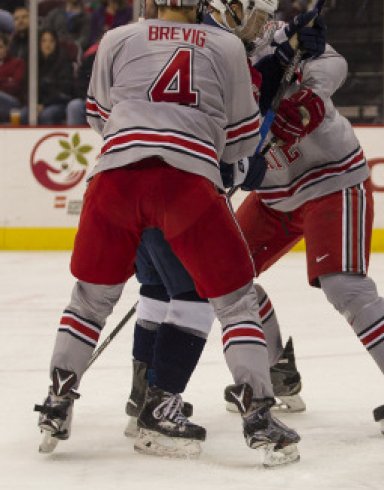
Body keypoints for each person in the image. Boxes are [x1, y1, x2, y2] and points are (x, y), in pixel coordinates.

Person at [33, 0, 300, 465]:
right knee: (235, 301)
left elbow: (98, 116)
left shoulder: (117, 38)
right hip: (187, 182)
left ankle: (56, 404)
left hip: (115, 178)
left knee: (89, 301)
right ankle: (256, 415)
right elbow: (239, 136)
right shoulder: (224, 45)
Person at [231, 9, 384, 436]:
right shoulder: (213, 49)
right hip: (272, 192)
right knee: (224, 274)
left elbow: (332, 62)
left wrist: (310, 94)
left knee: (343, 285)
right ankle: (276, 369)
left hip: (331, 176)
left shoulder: (276, 35)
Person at [35, 28, 75, 124]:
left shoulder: (63, 62)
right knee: (24, 114)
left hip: (58, 104)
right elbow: (25, 87)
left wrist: (44, 105)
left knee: (46, 115)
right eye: (44, 41)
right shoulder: (34, 63)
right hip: (38, 104)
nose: (47, 44)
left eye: (51, 41)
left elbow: (63, 91)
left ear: (56, 43)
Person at [0, 32, 24, 123]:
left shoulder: (17, 63)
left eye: (0, 47)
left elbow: (15, 86)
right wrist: (5, 80)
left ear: (6, 48)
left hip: (12, 102)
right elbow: (8, 83)